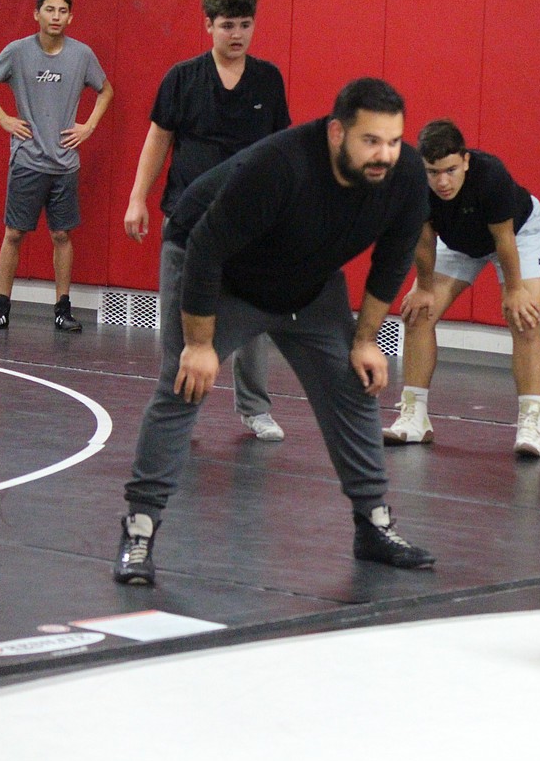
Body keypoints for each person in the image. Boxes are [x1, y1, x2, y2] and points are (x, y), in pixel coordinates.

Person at [113, 78, 435, 586]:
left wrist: (367, 337)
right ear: (336, 133)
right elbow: (205, 249)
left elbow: (394, 259)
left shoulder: (405, 176)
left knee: (352, 388)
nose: (384, 155)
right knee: (183, 385)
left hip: (308, 285)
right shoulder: (278, 167)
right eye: (370, 141)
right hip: (219, 273)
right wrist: (199, 346)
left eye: (393, 141)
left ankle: (373, 525)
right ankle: (139, 531)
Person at [124, 0, 291, 442]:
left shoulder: (268, 80)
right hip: (188, 218)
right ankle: (179, 409)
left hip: (250, 222)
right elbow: (159, 138)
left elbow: (280, 149)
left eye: (244, 25)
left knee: (253, 317)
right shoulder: (182, 78)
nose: (236, 34)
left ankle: (256, 408)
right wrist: (138, 196)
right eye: (226, 25)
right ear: (208, 26)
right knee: (179, 315)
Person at [383, 119, 540, 456]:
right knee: (418, 314)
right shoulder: (413, 183)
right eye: (433, 172)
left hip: (516, 234)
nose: (442, 181)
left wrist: (515, 291)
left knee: (525, 318)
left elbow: (503, 240)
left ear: (466, 160)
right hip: (457, 241)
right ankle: (415, 418)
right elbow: (424, 240)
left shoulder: (491, 175)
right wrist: (425, 288)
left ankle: (530, 425)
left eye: (451, 170)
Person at [0, 0, 113, 333]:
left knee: (62, 235)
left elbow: (106, 90)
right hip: (27, 161)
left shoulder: (82, 55)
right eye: (49, 9)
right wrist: (3, 118)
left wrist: (89, 126)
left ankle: (62, 310)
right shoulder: (18, 52)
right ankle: (1, 309)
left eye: (62, 10)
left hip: (65, 164)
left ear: (70, 16)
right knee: (14, 233)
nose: (55, 16)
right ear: (37, 14)